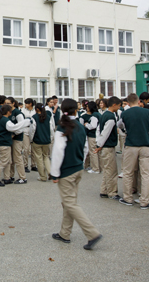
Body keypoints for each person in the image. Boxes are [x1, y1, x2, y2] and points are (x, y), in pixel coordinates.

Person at [51, 98, 103, 250]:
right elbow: (85, 148)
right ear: (76, 110)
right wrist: (80, 162)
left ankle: (92, 233)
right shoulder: (80, 126)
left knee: (70, 203)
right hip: (78, 168)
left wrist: (55, 173)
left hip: (66, 171)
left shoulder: (62, 127)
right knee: (69, 202)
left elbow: (58, 152)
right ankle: (64, 233)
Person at [117, 93, 149, 209]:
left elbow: (120, 125)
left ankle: (127, 198)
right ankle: (144, 200)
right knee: (146, 174)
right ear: (139, 101)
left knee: (128, 172)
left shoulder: (125, 113)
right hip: (147, 145)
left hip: (131, 145)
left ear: (128, 103)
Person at [0, 105, 30, 186]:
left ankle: (7, 178)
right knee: (3, 162)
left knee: (8, 161)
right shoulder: (5, 120)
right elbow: (13, 127)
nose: (11, 112)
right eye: (10, 111)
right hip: (4, 143)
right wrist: (26, 122)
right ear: (8, 112)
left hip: (1, 143)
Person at [94, 96, 122, 200]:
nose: (119, 108)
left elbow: (99, 130)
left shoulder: (104, 114)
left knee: (106, 170)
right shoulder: (111, 117)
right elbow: (106, 132)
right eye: (118, 106)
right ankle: (112, 192)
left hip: (103, 146)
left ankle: (104, 190)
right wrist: (99, 145)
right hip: (108, 146)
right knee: (111, 171)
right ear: (114, 105)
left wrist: (98, 143)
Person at [29, 103, 54, 181]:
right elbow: (51, 129)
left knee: (39, 158)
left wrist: (31, 139)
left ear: (36, 109)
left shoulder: (34, 117)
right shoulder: (48, 117)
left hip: (37, 140)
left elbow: (32, 130)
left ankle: (43, 176)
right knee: (46, 156)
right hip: (46, 140)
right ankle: (50, 172)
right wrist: (51, 138)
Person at [79, 101, 101, 174]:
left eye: (88, 107)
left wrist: (86, 125)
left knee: (93, 152)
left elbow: (93, 126)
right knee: (95, 152)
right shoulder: (98, 114)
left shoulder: (94, 115)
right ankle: (96, 166)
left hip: (92, 135)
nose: (87, 108)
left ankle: (95, 168)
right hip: (96, 135)